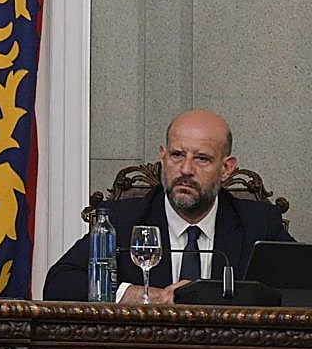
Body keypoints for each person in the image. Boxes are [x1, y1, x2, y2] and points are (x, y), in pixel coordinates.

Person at [43, 109, 293, 304]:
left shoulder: (259, 224)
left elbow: (299, 291)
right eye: (177, 155)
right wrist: (140, 295)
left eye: (202, 159)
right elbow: (59, 283)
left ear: (226, 168)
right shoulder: (122, 219)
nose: (186, 169)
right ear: (162, 157)